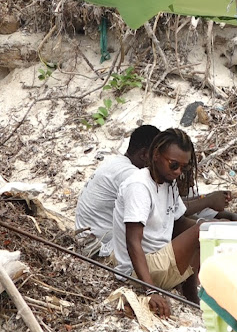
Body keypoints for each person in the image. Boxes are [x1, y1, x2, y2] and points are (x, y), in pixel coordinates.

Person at [111, 128, 204, 318]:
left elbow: (178, 222)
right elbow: (133, 242)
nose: (178, 172)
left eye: (183, 168)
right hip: (138, 273)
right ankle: (191, 295)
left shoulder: (168, 183)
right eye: (173, 165)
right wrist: (150, 290)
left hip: (159, 262)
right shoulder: (139, 185)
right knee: (204, 230)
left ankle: (192, 295)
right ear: (155, 155)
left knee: (210, 230)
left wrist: (217, 227)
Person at [75, 125, 160, 258]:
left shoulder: (117, 162)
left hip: (88, 241)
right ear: (144, 155)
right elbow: (162, 208)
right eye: (157, 156)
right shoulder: (131, 175)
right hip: (98, 250)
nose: (158, 162)